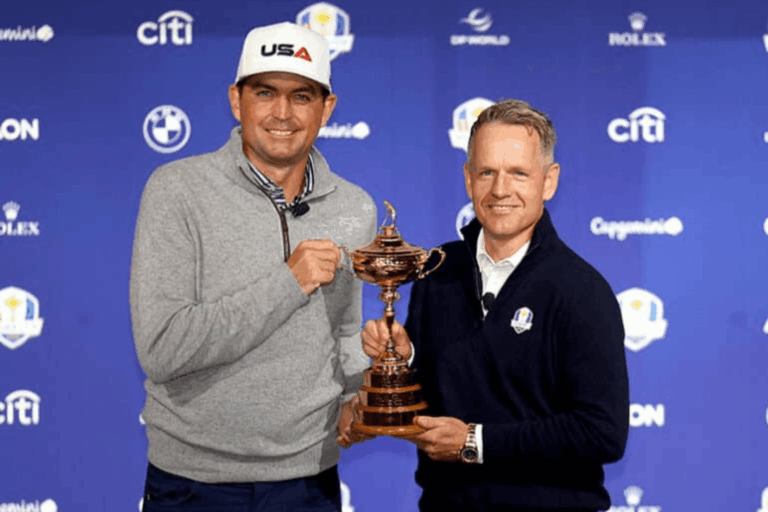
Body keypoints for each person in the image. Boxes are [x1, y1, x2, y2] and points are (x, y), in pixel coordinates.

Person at [130, 21, 375, 512]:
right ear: (236, 100)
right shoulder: (176, 190)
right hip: (192, 482)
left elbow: (345, 332)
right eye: (265, 92)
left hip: (309, 480)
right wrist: (290, 282)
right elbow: (162, 348)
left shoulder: (355, 208)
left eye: (301, 96)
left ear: (327, 108)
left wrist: (364, 391)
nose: (282, 113)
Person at [362, 99, 629, 512]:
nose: (500, 189)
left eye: (519, 173)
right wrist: (404, 356)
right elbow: (436, 397)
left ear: (549, 181)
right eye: (487, 172)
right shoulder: (437, 271)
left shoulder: (582, 290)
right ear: (468, 179)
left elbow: (602, 432)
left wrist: (476, 442)